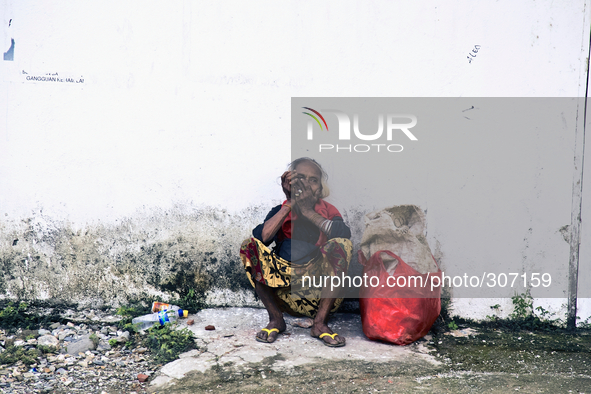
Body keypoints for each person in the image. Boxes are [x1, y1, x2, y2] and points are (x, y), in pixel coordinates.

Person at [240, 157, 353, 347]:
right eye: (300, 178)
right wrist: (291, 203)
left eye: (313, 180)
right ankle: (276, 318)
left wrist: (308, 211)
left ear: (320, 188)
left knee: (342, 245)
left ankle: (319, 323)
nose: (306, 184)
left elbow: (343, 234)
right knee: (249, 246)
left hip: (317, 293)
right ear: (289, 182)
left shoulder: (328, 210)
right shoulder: (281, 210)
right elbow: (263, 237)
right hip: (285, 292)